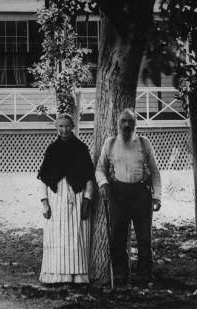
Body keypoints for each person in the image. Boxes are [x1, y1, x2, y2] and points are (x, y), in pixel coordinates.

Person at [97, 107, 162, 285]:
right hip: (119, 195)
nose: (126, 125)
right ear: (117, 123)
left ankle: (144, 275)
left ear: (135, 124)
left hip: (141, 195)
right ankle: (120, 275)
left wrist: (157, 196)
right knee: (118, 238)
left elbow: (155, 171)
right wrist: (103, 184)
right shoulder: (109, 143)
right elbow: (100, 168)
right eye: (123, 121)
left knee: (144, 238)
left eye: (130, 121)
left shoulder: (144, 143)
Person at [36, 112, 95, 284]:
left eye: (67, 126)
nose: (64, 129)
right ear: (56, 128)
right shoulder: (52, 149)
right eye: (60, 126)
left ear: (73, 127)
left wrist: (87, 200)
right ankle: (55, 276)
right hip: (56, 199)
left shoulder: (81, 149)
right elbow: (44, 180)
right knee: (56, 237)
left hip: (76, 198)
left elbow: (89, 178)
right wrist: (44, 203)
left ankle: (77, 277)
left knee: (77, 236)